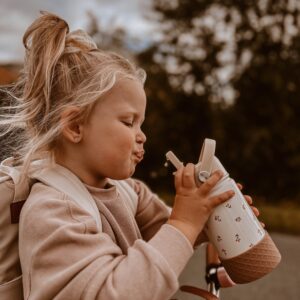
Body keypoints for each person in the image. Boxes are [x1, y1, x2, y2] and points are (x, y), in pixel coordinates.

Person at [0, 12, 260, 300]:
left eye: (141, 123)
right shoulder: (53, 211)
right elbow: (115, 293)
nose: (142, 135)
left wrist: (205, 219)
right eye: (128, 122)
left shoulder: (127, 191)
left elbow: (162, 240)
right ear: (75, 126)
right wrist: (184, 225)